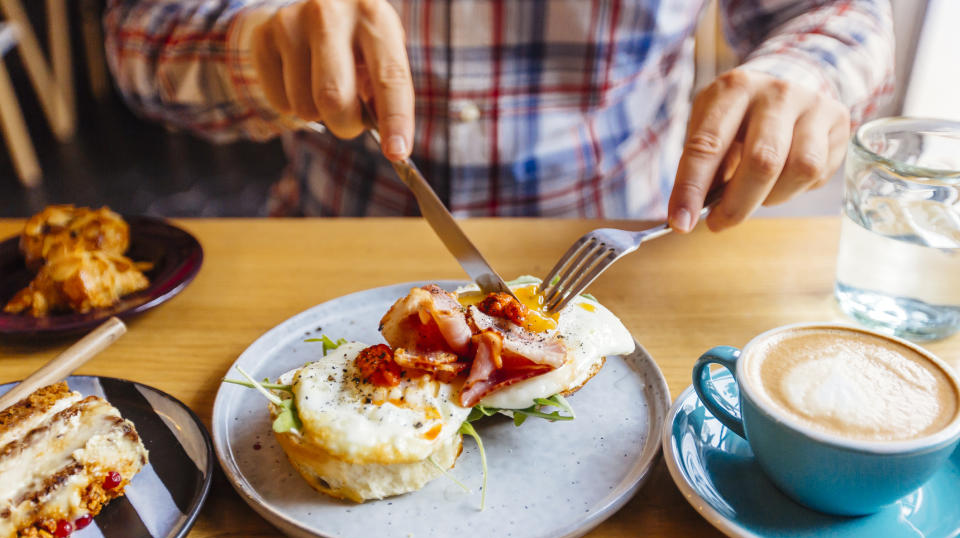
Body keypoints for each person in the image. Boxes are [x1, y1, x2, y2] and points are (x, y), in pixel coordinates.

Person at [104, 0, 893, 230]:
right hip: (329, 255)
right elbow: (137, 33)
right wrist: (254, 43)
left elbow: (840, 13)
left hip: (623, 265)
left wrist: (804, 73)